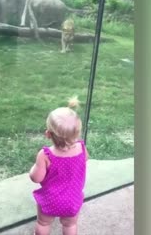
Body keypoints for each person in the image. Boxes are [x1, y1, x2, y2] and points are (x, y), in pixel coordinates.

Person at [29, 96, 89, 235]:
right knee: (70, 225)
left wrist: (33, 170)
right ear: (77, 133)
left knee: (43, 223)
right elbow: (85, 160)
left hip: (51, 199)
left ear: (48, 134)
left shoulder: (45, 155)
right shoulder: (82, 147)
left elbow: (36, 178)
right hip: (73, 199)